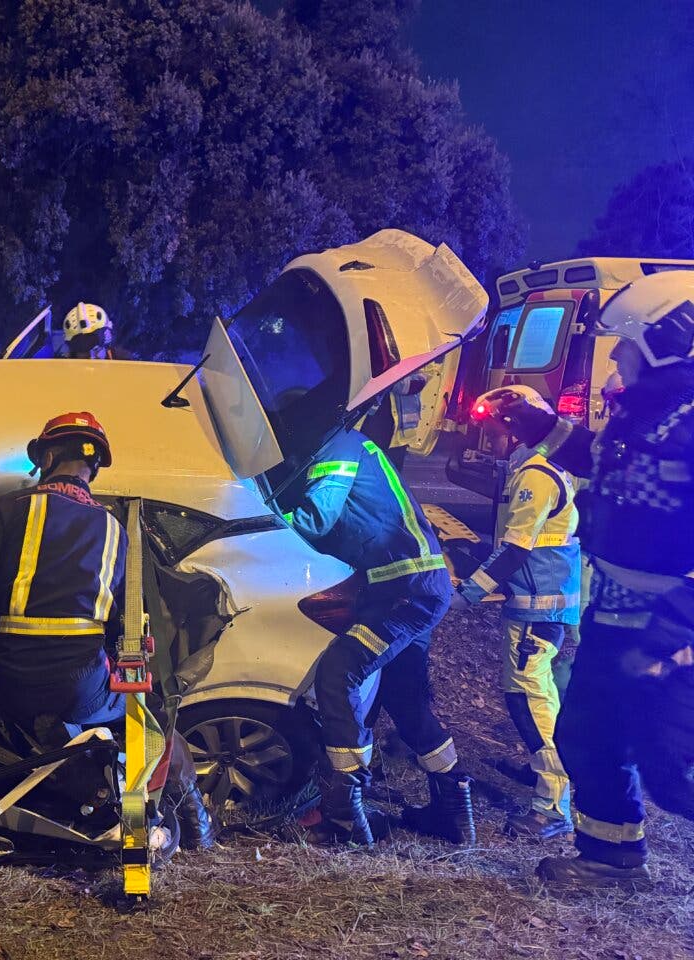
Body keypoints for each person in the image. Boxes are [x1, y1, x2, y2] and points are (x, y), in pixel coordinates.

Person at [475, 269, 694, 889]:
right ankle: (612, 857)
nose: (616, 357)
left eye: (627, 344)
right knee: (588, 733)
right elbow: (600, 458)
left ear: (668, 342)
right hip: (617, 615)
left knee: (670, 762)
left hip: (669, 628)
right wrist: (536, 423)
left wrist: (672, 632)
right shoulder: (650, 417)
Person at [0, 411, 214, 850]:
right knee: (151, 719)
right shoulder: (115, 530)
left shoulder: (14, 507)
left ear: (48, 457)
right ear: (92, 469)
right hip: (81, 687)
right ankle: (197, 825)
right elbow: (124, 623)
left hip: (11, 682)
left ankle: (70, 758)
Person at [285, 427, 474, 846]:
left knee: (339, 672)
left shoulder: (336, 445)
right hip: (415, 588)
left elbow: (316, 519)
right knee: (405, 698)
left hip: (402, 593)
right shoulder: (354, 442)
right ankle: (453, 809)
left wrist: (268, 522)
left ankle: (344, 817)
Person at [453, 385, 580, 840]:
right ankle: (545, 776)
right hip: (544, 606)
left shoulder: (535, 477)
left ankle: (551, 807)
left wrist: (464, 596)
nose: (488, 440)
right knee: (537, 697)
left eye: (492, 431)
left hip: (535, 611)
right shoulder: (546, 469)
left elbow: (514, 551)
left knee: (529, 701)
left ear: (516, 428)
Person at [62, 303, 132, 360]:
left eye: (96, 348)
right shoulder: (60, 367)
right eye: (83, 347)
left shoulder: (126, 364)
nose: (91, 356)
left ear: (107, 341)